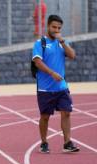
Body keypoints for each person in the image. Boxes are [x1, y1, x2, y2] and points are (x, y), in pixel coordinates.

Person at [32, 15, 79, 153]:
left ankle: (67, 142)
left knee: (66, 113)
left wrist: (63, 41)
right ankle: (44, 142)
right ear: (48, 26)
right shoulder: (40, 43)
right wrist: (52, 73)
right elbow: (37, 62)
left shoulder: (61, 42)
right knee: (45, 116)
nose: (56, 30)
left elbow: (72, 55)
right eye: (54, 27)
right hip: (45, 88)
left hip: (61, 87)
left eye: (59, 28)